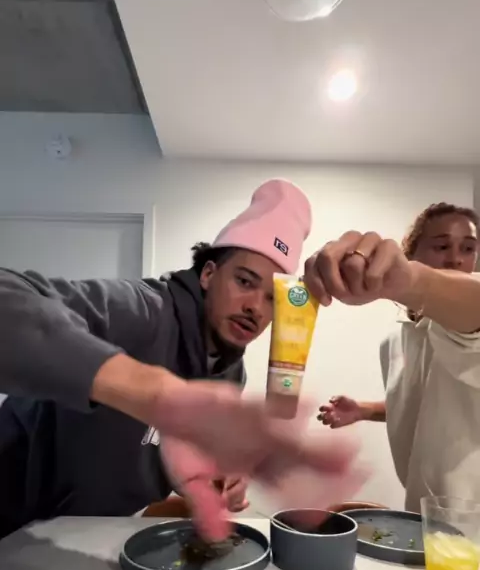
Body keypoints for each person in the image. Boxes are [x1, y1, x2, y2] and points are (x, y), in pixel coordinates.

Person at [0, 179, 361, 542]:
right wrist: (155, 392)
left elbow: (170, 455)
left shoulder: (231, 374)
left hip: (84, 540)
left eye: (272, 299)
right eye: (244, 281)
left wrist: (217, 477)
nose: (255, 306)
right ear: (208, 274)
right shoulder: (141, 310)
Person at [304, 215, 480, 511]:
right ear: (411, 252)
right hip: (424, 511)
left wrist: (412, 281)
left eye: (468, 248)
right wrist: (365, 410)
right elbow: (427, 405)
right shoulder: (396, 338)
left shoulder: (470, 317)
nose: (456, 259)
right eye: (441, 247)